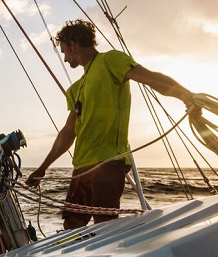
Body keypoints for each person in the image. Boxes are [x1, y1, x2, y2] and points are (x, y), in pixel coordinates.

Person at [25, 19, 197, 229]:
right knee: (71, 226)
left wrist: (186, 96)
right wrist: (43, 168)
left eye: (64, 51)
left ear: (73, 44)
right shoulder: (75, 88)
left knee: (104, 224)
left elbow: (150, 78)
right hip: (82, 167)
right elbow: (69, 132)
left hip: (108, 161)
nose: (64, 57)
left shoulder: (110, 60)